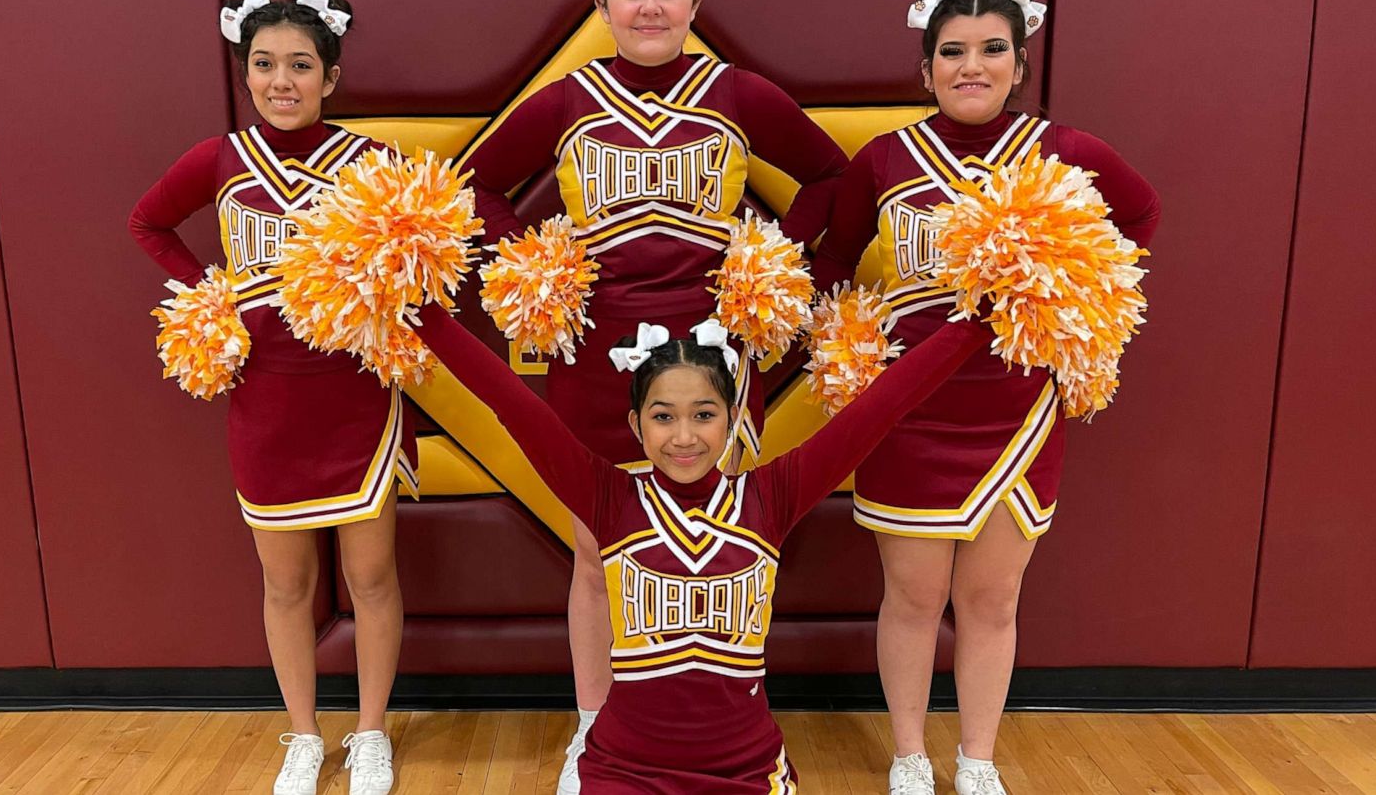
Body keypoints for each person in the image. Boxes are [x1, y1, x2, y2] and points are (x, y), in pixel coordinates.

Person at [458, 0, 847, 788]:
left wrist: (780, 262)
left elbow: (829, 176)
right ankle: (598, 724)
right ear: (601, 1)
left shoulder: (740, 93)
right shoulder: (566, 101)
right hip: (593, 352)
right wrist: (535, 264)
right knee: (600, 551)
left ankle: (712, 723)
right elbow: (474, 182)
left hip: (712, 353)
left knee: (715, 537)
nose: (650, 5)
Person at [409, 294, 990, 792]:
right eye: (663, 417)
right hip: (621, 771)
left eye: (704, 415)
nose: (683, 437)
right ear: (636, 425)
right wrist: (422, 313)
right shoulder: (608, 497)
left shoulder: (773, 495)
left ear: (733, 418)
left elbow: (881, 406)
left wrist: (982, 317)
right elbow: (509, 401)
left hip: (745, 771)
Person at [813, 0, 1163, 795]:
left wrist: (1087, 295)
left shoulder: (1062, 150)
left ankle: (976, 761)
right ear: (926, 65)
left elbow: (1141, 214)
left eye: (992, 49)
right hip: (908, 409)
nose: (973, 66)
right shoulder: (886, 158)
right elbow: (833, 257)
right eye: (953, 51)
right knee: (912, 594)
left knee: (994, 599)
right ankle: (908, 756)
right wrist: (848, 340)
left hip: (1017, 408)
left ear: (1020, 59)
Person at [128, 0, 411, 795]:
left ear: (330, 76)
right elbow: (147, 223)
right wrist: (210, 294)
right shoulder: (219, 160)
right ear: (244, 74)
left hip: (356, 396)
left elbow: (419, 266)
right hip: (265, 400)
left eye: (300, 66)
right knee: (285, 583)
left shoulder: (371, 164)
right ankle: (301, 736)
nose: (281, 81)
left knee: (373, 578)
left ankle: (369, 734)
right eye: (264, 65)